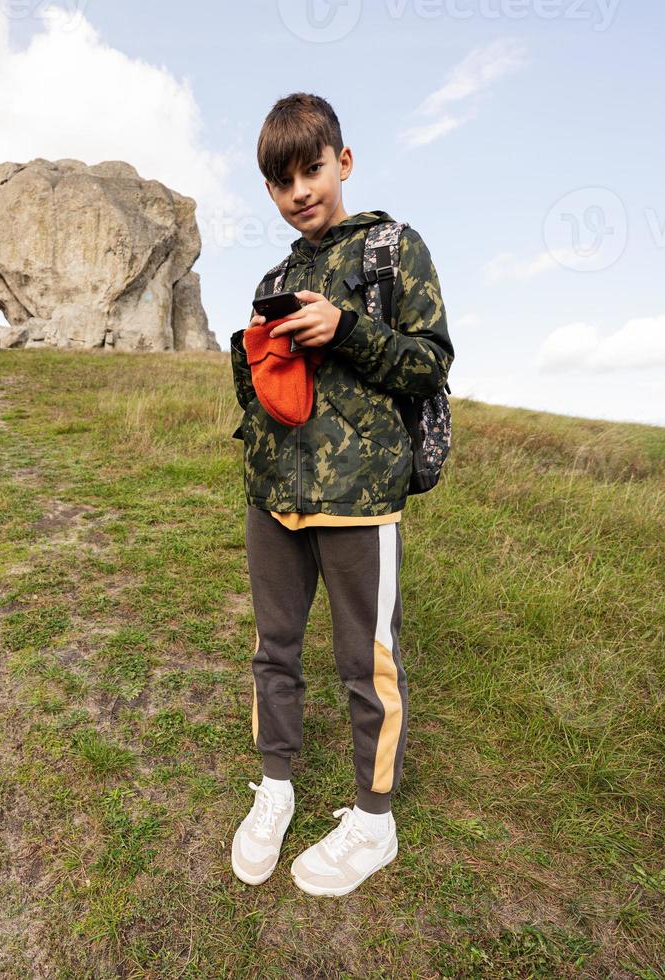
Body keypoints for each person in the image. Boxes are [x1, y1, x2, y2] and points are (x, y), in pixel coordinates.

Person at [227, 92, 454, 896]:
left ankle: (374, 822)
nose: (299, 192)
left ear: (343, 163)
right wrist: (252, 363)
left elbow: (430, 363)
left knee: (368, 664)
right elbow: (258, 388)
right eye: (281, 181)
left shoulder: (395, 248)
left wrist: (346, 329)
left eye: (312, 170)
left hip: (360, 500)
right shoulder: (276, 275)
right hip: (272, 498)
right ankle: (275, 790)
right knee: (272, 651)